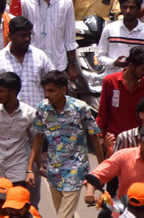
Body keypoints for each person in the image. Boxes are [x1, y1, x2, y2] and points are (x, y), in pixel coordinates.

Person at [28, 70, 102, 218]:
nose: (47, 95)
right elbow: (38, 138)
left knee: (63, 216)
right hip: (53, 169)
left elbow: (94, 136)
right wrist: (31, 166)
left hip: (76, 168)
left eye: (51, 91)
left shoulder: (80, 107)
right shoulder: (43, 108)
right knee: (64, 213)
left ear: (63, 90)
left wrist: (102, 168)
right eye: (45, 91)